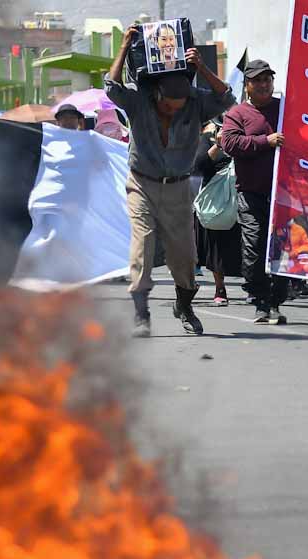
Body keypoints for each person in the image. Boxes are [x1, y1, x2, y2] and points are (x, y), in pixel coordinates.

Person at [107, 28, 234, 337]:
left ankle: (184, 305)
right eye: (168, 106)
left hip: (178, 187)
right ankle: (141, 313)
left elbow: (226, 97)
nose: (173, 111)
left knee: (184, 255)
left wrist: (202, 67)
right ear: (156, 95)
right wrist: (124, 47)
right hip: (142, 184)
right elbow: (111, 87)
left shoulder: (195, 102)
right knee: (142, 247)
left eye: (180, 106)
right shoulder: (138, 101)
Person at [221, 58, 293, 325]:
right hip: (251, 194)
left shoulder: (286, 108)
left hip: (284, 194)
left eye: (267, 79)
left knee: (283, 250)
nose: (264, 85)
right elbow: (230, 143)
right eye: (257, 80)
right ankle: (260, 300)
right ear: (247, 85)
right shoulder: (237, 113)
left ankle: (276, 300)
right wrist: (266, 141)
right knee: (254, 247)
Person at [193, 121, 242, 307]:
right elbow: (198, 166)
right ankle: (220, 288)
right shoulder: (209, 138)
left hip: (244, 193)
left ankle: (255, 288)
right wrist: (218, 145)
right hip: (218, 200)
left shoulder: (248, 136)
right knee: (216, 245)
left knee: (249, 242)